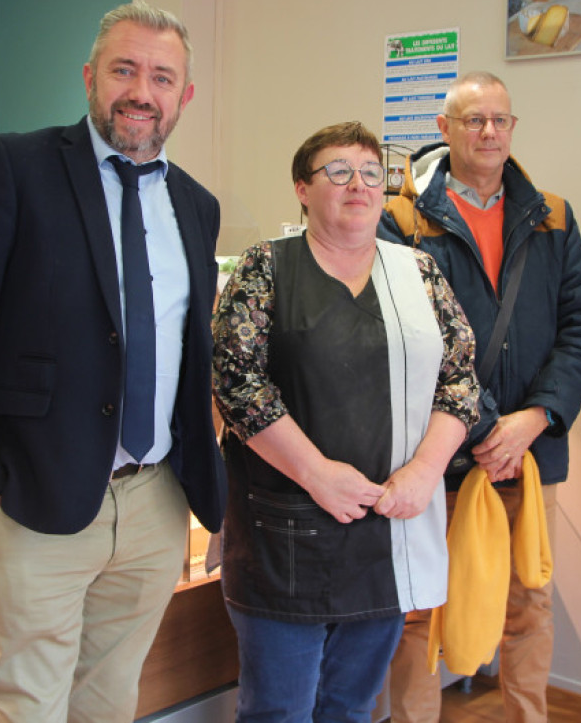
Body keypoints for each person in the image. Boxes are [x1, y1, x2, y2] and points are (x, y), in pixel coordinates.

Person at [0, 0, 226, 723]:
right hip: (34, 499)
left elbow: (186, 352)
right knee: (28, 704)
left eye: (162, 76)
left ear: (185, 95)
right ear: (91, 76)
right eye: (124, 69)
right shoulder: (14, 166)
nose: (141, 91)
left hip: (154, 506)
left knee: (110, 700)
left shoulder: (195, 206)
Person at [213, 121, 480, 723]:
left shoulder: (419, 272)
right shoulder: (266, 269)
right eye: (337, 172)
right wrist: (316, 474)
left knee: (353, 707)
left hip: (384, 532)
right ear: (303, 189)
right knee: (278, 709)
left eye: (368, 173)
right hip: (283, 533)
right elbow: (236, 382)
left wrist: (423, 472)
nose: (357, 185)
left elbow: (461, 379)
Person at [380, 70, 581, 723]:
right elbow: (410, 334)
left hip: (532, 455)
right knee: (421, 611)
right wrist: (482, 427)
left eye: (499, 119)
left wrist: (534, 419)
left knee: (528, 603)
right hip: (436, 454)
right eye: (473, 119)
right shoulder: (401, 219)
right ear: (443, 128)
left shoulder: (553, 217)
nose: (488, 131)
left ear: (513, 129)